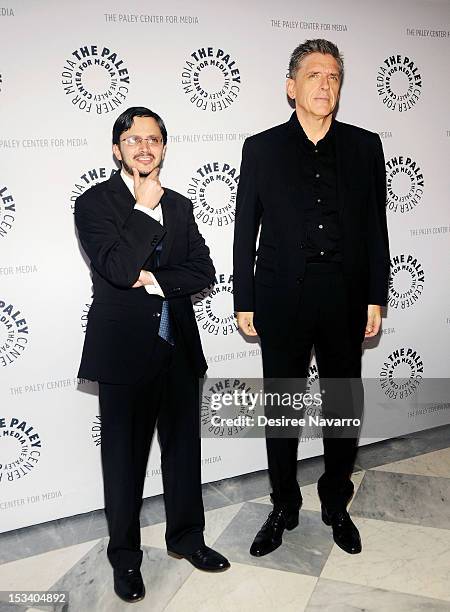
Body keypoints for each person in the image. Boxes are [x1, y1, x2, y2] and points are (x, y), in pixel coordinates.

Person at [233, 39, 390, 556]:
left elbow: (375, 229)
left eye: (334, 76)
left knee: (343, 404)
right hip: (281, 297)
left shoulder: (366, 147)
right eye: (314, 75)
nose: (325, 84)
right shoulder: (260, 148)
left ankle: (336, 500)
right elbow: (244, 231)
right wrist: (244, 297)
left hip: (346, 296)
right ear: (291, 86)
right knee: (282, 408)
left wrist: (375, 294)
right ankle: (283, 504)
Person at [75, 106, 230, 604]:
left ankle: (188, 539)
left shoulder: (181, 206)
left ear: (164, 147)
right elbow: (118, 268)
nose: (145, 147)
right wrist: (142, 210)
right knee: (123, 464)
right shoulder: (94, 204)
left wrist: (158, 281)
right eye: (134, 138)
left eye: (154, 139)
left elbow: (203, 269)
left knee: (184, 454)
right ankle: (125, 559)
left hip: (179, 349)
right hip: (123, 357)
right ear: (117, 147)